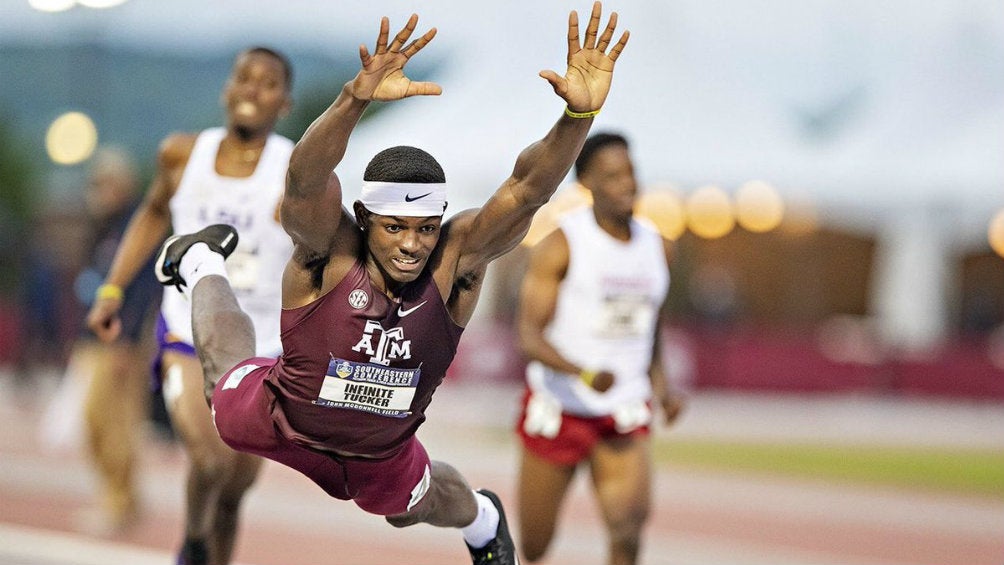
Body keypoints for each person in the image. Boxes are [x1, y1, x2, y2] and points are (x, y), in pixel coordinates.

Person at [148, 4, 628, 564]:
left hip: (380, 452)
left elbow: (526, 190)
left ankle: (484, 520)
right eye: (395, 228)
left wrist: (578, 116)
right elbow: (303, 180)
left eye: (425, 229)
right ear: (364, 218)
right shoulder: (330, 250)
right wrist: (354, 100)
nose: (411, 245)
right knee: (221, 389)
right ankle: (203, 260)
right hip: (283, 417)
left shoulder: (457, 263)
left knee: (408, 509)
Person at [86, 47, 295, 565]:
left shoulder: (295, 169)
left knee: (235, 490)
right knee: (209, 458)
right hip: (187, 330)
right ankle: (194, 540)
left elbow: (324, 246)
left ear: (284, 103)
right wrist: (112, 289)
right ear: (227, 89)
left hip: (264, 343)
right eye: (243, 78)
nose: (251, 88)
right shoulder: (182, 156)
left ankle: (210, 542)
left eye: (267, 83)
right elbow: (153, 214)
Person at [513, 132, 686, 565]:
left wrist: (662, 387)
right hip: (561, 406)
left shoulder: (659, 245)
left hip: (623, 409)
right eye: (612, 176)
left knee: (628, 529)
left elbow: (652, 325)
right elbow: (529, 337)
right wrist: (583, 372)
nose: (627, 183)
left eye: (630, 172)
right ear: (586, 184)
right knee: (534, 546)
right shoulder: (562, 243)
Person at [64, 147, 162, 535]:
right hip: (94, 337)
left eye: (105, 184)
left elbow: (143, 289)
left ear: (122, 185)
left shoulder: (136, 228)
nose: (98, 192)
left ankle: (120, 503)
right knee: (93, 420)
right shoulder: (102, 227)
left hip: (121, 341)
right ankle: (121, 497)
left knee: (115, 422)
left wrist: (130, 339)